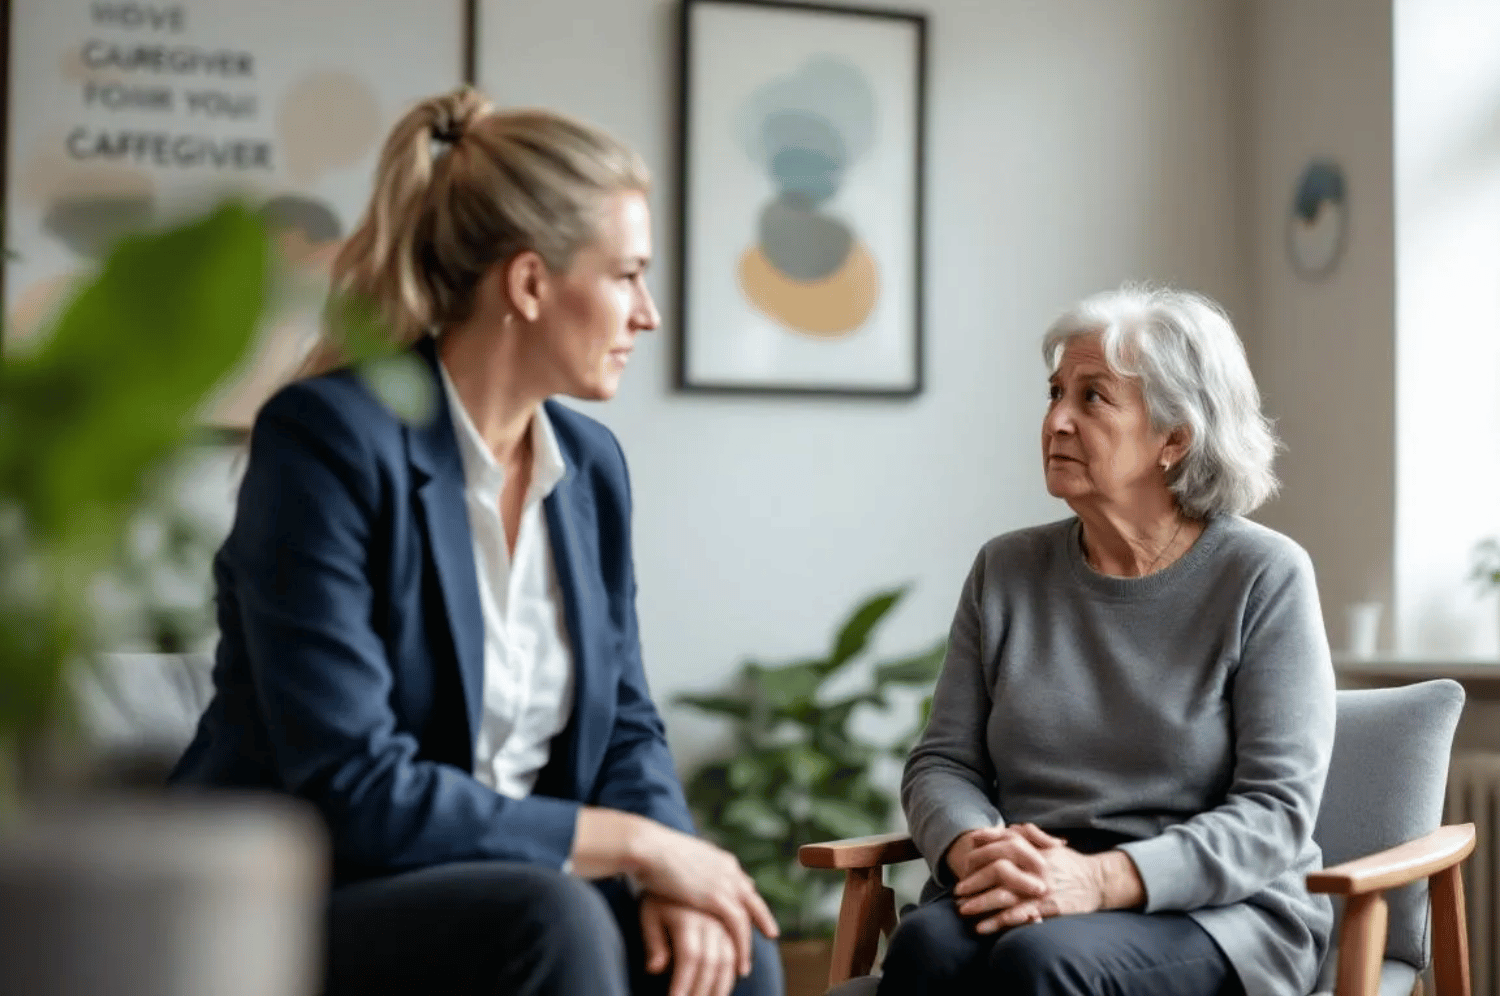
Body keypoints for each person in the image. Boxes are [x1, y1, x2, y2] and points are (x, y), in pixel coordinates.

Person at [171, 87, 783, 996]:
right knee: (553, 917)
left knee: (732, 946)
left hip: (515, 881)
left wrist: (678, 872)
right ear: (531, 283)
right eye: (626, 276)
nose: (647, 313)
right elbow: (351, 782)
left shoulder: (590, 466)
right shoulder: (328, 440)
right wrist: (641, 846)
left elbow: (626, 729)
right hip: (305, 892)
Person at [880, 286, 1334, 996]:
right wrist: (975, 849)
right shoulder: (1006, 569)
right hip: (1038, 885)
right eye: (1055, 392)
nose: (1056, 420)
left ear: (1174, 438)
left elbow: (1275, 813)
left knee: (1042, 965)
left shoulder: (1264, 576)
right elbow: (943, 761)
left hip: (1216, 909)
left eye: (1093, 398)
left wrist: (1100, 879)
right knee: (925, 948)